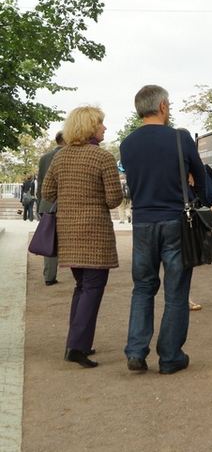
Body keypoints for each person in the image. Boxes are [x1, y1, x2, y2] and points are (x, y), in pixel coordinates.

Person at [120, 85, 205, 374]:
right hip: (176, 220)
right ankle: (170, 356)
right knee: (176, 291)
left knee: (142, 287)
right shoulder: (180, 139)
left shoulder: (127, 143)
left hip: (142, 220)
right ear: (163, 107)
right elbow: (202, 179)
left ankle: (135, 350)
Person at [42, 106, 122, 368]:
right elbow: (113, 200)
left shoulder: (60, 157)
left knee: (81, 287)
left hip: (68, 234)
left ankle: (79, 343)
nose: (104, 128)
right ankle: (76, 347)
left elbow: (47, 193)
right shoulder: (103, 158)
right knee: (92, 289)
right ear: (90, 128)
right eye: (101, 124)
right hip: (95, 235)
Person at [37, 131, 66, 286]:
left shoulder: (44, 158)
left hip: (47, 204)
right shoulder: (70, 155)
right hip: (66, 204)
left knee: (49, 239)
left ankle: (49, 276)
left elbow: (40, 183)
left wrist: (40, 206)